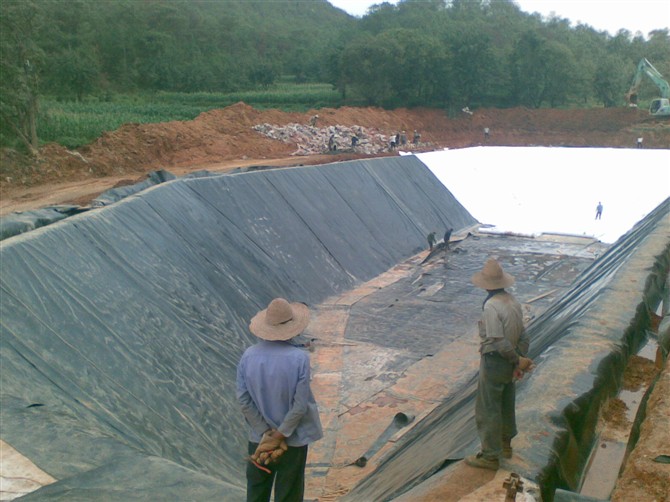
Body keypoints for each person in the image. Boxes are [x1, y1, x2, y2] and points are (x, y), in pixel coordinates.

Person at [237, 298, 323, 502]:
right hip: (293, 439)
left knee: (257, 490)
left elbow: (243, 400)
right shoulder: (299, 359)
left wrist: (266, 433)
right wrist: (280, 434)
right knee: (289, 493)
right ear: (292, 327)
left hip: (260, 440)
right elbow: (299, 406)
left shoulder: (248, 356)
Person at [465, 258, 533, 471]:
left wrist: (514, 359)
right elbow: (523, 335)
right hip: (510, 359)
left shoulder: (491, 306)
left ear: (486, 285)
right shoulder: (512, 301)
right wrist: (520, 358)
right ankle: (505, 445)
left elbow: (497, 340)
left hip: (496, 360)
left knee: (488, 408)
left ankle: (490, 455)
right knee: (506, 401)